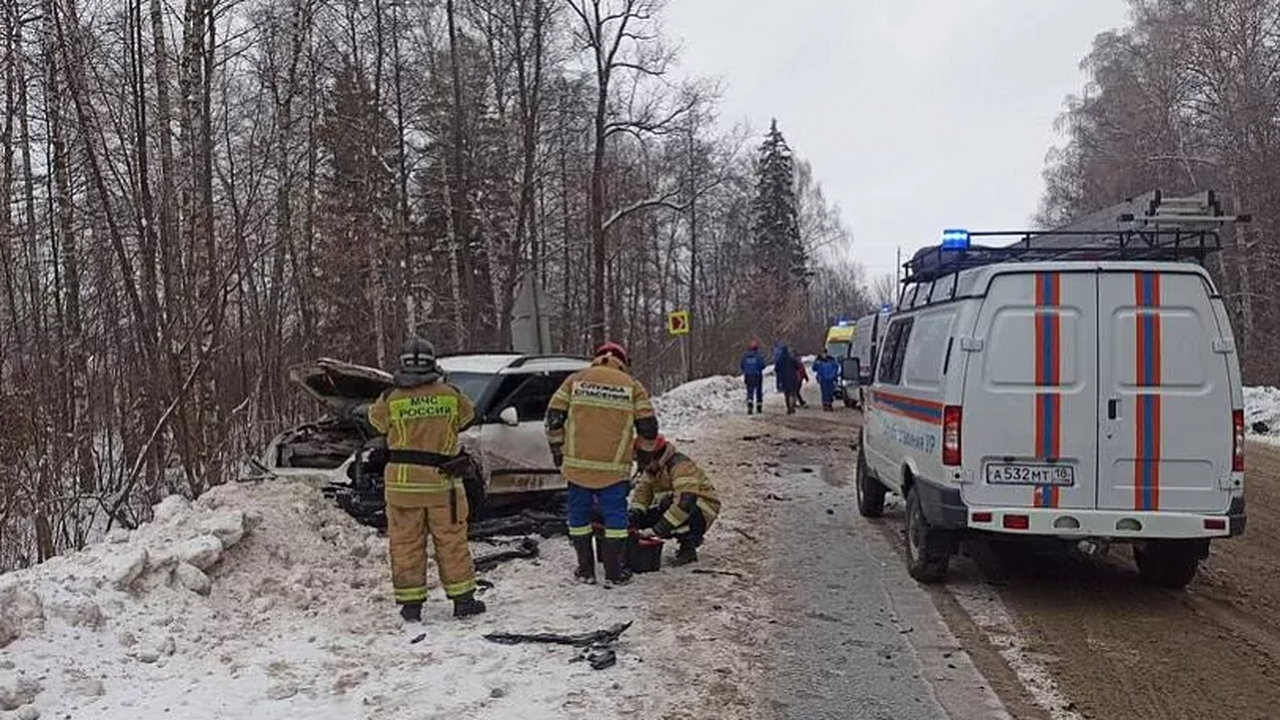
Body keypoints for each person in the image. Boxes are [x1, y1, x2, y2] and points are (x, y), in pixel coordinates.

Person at [365, 338, 486, 623]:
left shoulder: (391, 398)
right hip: (442, 484)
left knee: (405, 543)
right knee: (451, 541)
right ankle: (463, 601)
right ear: (433, 362)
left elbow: (375, 423)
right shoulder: (449, 394)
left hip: (402, 486)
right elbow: (469, 417)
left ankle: (411, 607)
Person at [546, 341, 659, 586]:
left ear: (596, 357)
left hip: (578, 467)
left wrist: (557, 448)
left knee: (578, 516)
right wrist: (645, 456)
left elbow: (554, 416)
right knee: (615, 517)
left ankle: (585, 569)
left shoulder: (576, 379)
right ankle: (614, 572)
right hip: (614, 469)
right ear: (623, 361)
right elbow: (649, 427)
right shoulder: (632, 386)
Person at [629, 435, 721, 566]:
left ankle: (688, 546)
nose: (641, 465)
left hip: (700, 511)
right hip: (672, 507)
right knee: (642, 519)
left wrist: (658, 530)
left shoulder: (681, 466)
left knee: (676, 508)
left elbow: (686, 502)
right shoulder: (652, 469)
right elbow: (642, 495)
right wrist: (635, 515)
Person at [740, 340, 766, 415]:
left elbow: (742, 365)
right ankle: (759, 406)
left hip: (748, 375)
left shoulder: (745, 356)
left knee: (749, 390)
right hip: (757, 375)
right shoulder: (758, 356)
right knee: (758, 391)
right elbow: (763, 365)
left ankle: (750, 403)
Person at [776, 344, 801, 415]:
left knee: (786, 394)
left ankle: (788, 408)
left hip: (784, 379)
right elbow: (798, 366)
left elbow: (777, 369)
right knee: (792, 393)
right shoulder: (792, 359)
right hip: (793, 378)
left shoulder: (780, 360)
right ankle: (792, 405)